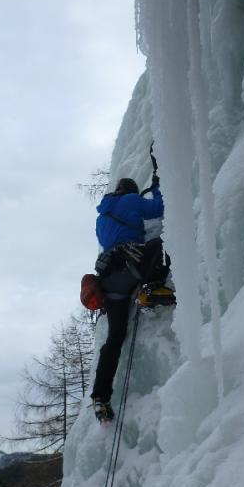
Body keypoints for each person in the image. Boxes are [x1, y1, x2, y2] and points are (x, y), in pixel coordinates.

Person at [90, 168, 173, 423]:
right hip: (131, 267)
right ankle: (151, 289)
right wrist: (158, 185)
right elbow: (158, 208)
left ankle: (100, 397)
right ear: (132, 190)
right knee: (162, 243)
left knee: (114, 340)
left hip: (110, 284)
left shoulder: (102, 216)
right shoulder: (131, 200)